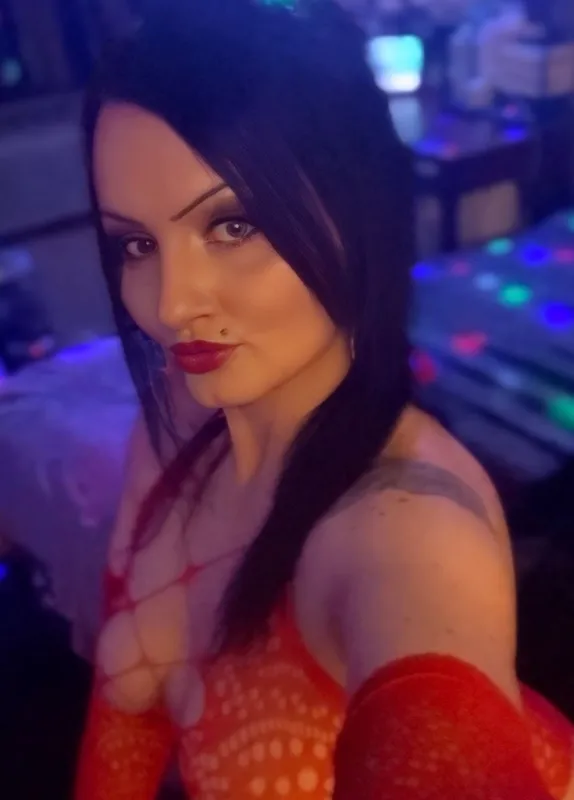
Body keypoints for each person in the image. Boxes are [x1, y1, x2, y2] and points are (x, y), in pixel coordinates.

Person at [76, 1, 574, 798]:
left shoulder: (409, 534)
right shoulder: (178, 420)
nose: (171, 304)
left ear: (358, 213)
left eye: (232, 226)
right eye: (136, 243)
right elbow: (122, 722)